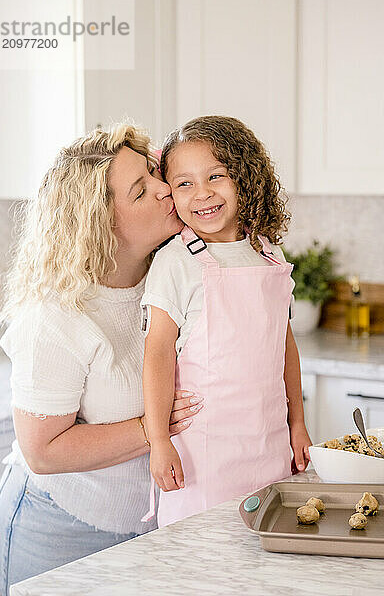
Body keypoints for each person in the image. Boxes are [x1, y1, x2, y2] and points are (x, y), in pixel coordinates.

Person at [0, 123, 203, 596]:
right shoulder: (57, 312)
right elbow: (42, 451)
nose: (165, 187)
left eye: (153, 171)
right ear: (102, 221)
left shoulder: (173, 272)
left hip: (151, 521)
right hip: (62, 527)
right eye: (141, 190)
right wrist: (155, 426)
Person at [140, 115, 312, 528]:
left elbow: (283, 346)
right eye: (184, 183)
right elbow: (157, 356)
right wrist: (159, 440)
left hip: (269, 447)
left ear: (244, 178)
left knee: (261, 553)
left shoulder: (267, 251)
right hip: (204, 455)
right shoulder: (176, 263)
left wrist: (298, 423)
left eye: (216, 176)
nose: (203, 194)